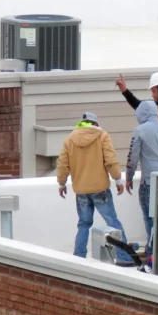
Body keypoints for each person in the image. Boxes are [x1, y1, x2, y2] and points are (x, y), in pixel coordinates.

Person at [56, 111, 135, 265]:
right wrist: (118, 179)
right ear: (95, 124)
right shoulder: (102, 136)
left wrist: (61, 183)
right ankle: (124, 257)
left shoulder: (70, 139)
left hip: (81, 191)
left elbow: (62, 164)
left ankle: (79, 257)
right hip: (100, 189)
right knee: (112, 221)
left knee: (84, 224)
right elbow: (110, 160)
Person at [126, 100, 158, 259]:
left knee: (150, 218)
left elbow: (132, 158)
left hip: (149, 182)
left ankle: (152, 253)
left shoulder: (140, 130)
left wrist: (129, 177)